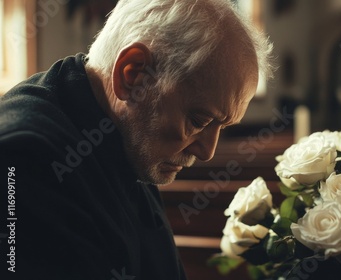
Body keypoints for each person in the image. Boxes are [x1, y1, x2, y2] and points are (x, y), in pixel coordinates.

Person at [0, 0, 273, 279]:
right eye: (199, 121)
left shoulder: (121, 133)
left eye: (223, 127)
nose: (208, 152)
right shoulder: (25, 160)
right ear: (132, 74)